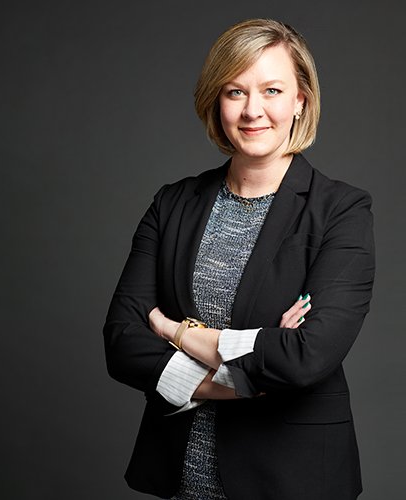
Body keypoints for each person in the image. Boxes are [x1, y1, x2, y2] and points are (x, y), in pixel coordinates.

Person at [103, 19, 374, 499]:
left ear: (300, 101)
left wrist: (175, 331)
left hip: (293, 480)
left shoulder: (341, 210)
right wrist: (249, 377)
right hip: (184, 475)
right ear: (216, 101)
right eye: (235, 92)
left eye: (272, 90)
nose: (253, 111)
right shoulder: (172, 203)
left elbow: (306, 356)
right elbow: (122, 340)